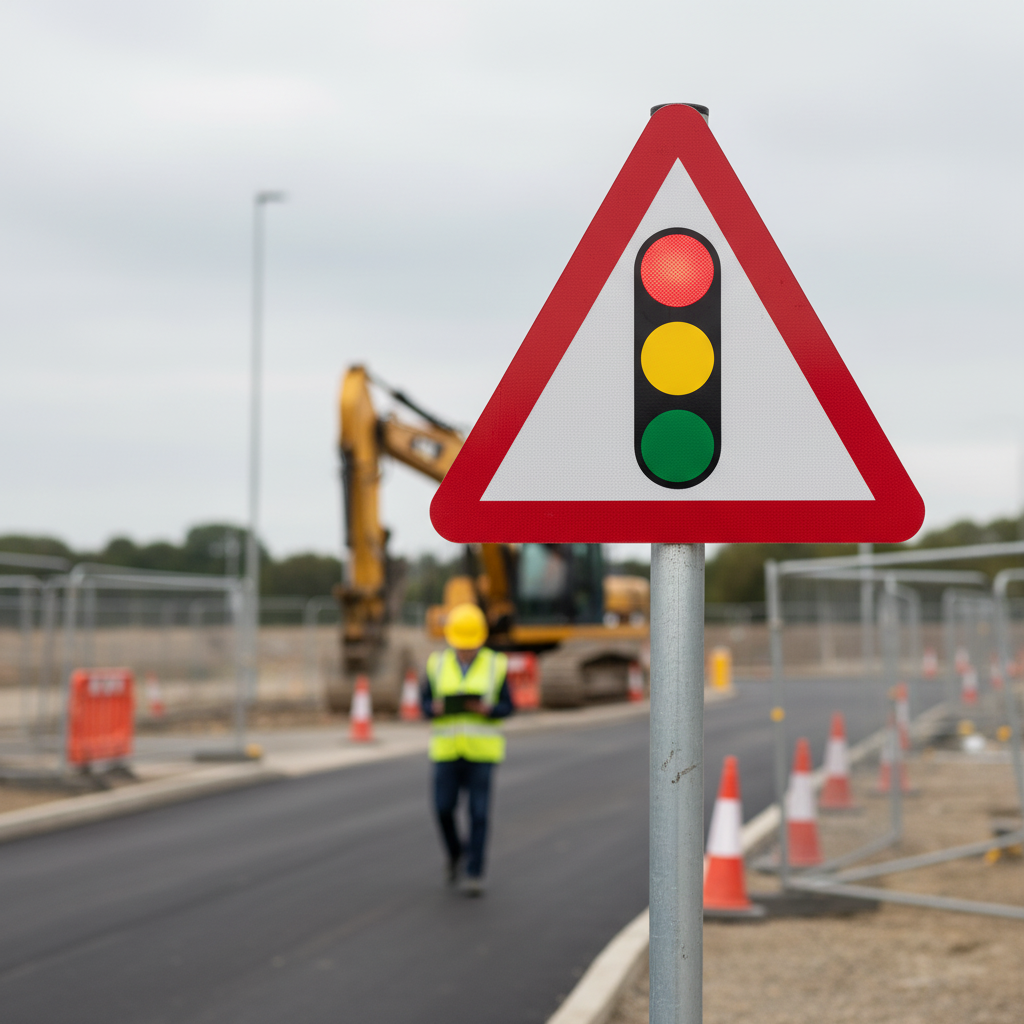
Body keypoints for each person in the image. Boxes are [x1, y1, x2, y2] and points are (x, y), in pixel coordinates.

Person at [421, 602, 514, 897]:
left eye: (470, 646)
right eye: (461, 646)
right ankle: (456, 853)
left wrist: (488, 709)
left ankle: (474, 873)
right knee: (443, 808)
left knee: (479, 814)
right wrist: (433, 709)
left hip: (481, 753)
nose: (465, 651)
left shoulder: (495, 665)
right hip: (447, 751)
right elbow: (423, 705)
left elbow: (508, 706)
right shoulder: (436, 665)